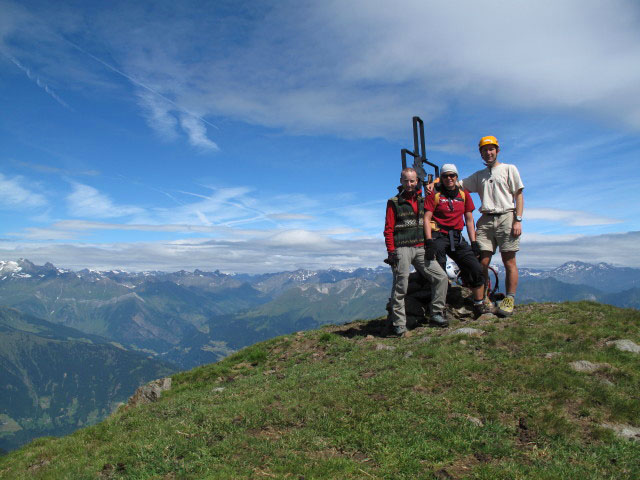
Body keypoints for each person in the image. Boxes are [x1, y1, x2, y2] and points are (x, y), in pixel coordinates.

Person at [459, 136, 524, 316]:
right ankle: (484, 297)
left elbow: (518, 195)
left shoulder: (509, 169)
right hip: (486, 219)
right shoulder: (479, 176)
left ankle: (509, 299)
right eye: (485, 150)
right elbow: (457, 185)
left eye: (491, 149)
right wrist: (434, 183)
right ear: (480, 152)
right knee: (481, 261)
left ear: (497, 150)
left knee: (509, 260)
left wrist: (518, 219)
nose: (488, 153)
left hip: (507, 217)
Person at [384, 168, 449, 335]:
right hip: (402, 248)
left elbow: (440, 195)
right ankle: (399, 323)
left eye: (412, 180)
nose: (409, 184)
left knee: (440, 277)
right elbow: (389, 229)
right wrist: (391, 251)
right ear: (401, 181)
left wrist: (431, 188)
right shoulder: (394, 202)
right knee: (401, 285)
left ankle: (436, 312)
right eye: (406, 181)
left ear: (416, 181)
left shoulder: (423, 199)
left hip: (421, 247)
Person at [423, 164, 492, 318]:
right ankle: (440, 307)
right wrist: (429, 241)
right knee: (439, 270)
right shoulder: (434, 195)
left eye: (452, 175)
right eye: (446, 175)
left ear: (456, 177)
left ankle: (479, 304)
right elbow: (426, 219)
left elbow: (469, 219)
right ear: (441, 177)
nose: (449, 178)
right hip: (439, 236)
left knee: (475, 267)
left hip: (457, 237)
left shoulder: (464, 195)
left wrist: (473, 242)